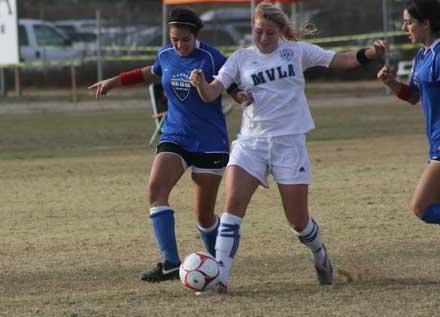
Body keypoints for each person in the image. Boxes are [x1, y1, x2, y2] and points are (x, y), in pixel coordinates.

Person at [189, 2, 387, 294]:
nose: (264, 38)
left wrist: (371, 53)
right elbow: (211, 94)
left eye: (270, 33)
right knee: (232, 208)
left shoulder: (296, 52)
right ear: (252, 29)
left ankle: (320, 255)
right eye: (259, 32)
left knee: (298, 221)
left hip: (289, 142)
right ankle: (219, 278)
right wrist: (200, 83)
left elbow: (342, 60)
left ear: (281, 32)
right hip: (251, 142)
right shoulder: (241, 58)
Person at [89, 8, 238, 283]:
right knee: (156, 190)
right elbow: (150, 72)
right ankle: (170, 262)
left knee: (204, 216)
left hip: (209, 142)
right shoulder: (166, 55)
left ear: (196, 36)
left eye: (185, 40)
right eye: (174, 39)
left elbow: (233, 86)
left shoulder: (212, 58)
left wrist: (242, 95)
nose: (179, 45)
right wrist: (114, 81)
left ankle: (219, 269)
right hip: (175, 135)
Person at [377, 0, 440, 224]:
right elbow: (413, 96)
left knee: (422, 207)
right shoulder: (422, 57)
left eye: (408, 23)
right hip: (434, 142)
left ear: (426, 23)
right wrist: (392, 83)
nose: (404, 28)